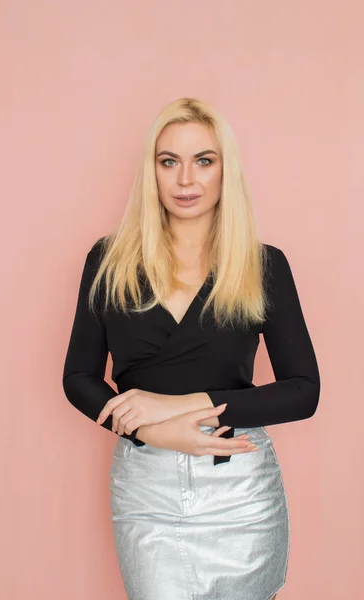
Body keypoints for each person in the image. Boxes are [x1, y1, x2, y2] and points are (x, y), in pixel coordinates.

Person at [62, 97, 320, 600]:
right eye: (169, 162)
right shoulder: (108, 260)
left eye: (204, 160)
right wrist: (155, 432)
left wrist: (181, 406)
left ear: (226, 170)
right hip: (147, 487)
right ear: (151, 172)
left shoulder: (263, 265)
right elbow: (78, 378)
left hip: (241, 491)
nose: (186, 180)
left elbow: (303, 391)